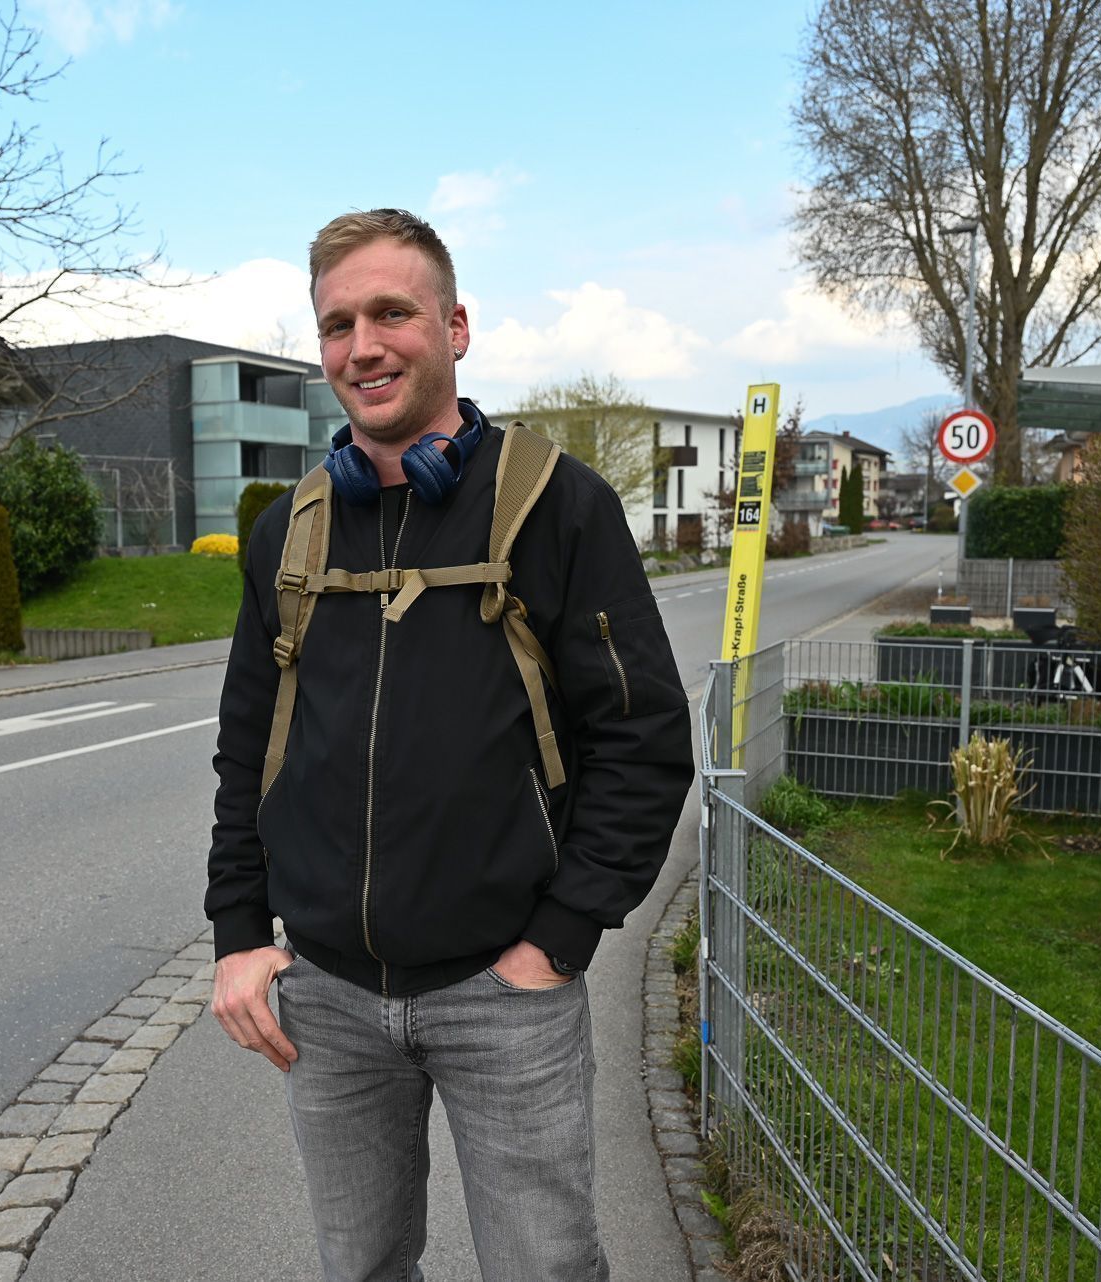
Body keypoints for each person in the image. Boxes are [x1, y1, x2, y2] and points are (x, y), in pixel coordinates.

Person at [206, 208, 694, 1282]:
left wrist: (557, 939)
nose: (363, 346)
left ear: (456, 325)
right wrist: (239, 932)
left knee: (544, 1268)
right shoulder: (288, 535)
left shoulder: (556, 506)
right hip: (327, 997)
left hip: (502, 988)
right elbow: (250, 752)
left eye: (391, 313)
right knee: (363, 1266)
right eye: (337, 324)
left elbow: (645, 739)